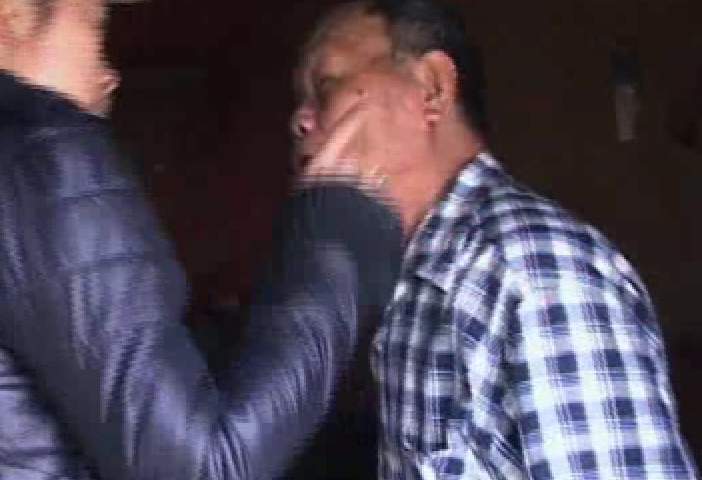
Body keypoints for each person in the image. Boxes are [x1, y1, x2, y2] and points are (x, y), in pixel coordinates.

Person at [0, 0, 405, 479]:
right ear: (10, 13)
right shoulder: (38, 157)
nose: (109, 73)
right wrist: (333, 231)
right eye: (96, 28)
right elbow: (210, 466)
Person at [291, 1, 699, 479]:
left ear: (432, 88)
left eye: (326, 85)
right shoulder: (415, 277)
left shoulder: (537, 271)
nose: (299, 119)